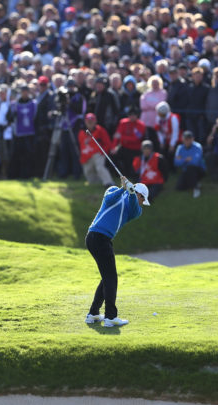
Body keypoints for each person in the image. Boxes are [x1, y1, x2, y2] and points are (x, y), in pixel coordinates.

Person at [85, 175, 150, 328]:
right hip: (96, 237)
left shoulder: (135, 210)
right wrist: (123, 189)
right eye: (143, 199)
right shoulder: (114, 190)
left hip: (101, 239)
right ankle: (110, 317)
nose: (142, 203)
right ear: (141, 195)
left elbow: (134, 207)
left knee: (107, 278)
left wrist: (131, 193)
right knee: (111, 278)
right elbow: (109, 200)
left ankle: (93, 313)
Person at [78, 113, 115, 188]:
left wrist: (102, 152)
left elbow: (107, 143)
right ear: (85, 121)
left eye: (92, 121)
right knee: (88, 172)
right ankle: (97, 183)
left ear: (95, 121)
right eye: (88, 121)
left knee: (99, 167)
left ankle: (109, 183)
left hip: (98, 153)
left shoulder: (100, 130)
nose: (90, 123)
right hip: (86, 155)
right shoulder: (81, 132)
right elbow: (82, 146)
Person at [174, 130, 206, 198]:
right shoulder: (180, 148)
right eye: (185, 139)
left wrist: (182, 160)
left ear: (192, 139)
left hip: (198, 170)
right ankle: (194, 182)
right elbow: (176, 162)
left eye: (189, 139)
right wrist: (186, 159)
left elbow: (195, 162)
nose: (187, 141)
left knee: (191, 168)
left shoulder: (198, 146)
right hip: (185, 170)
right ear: (182, 139)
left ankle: (196, 188)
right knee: (179, 187)